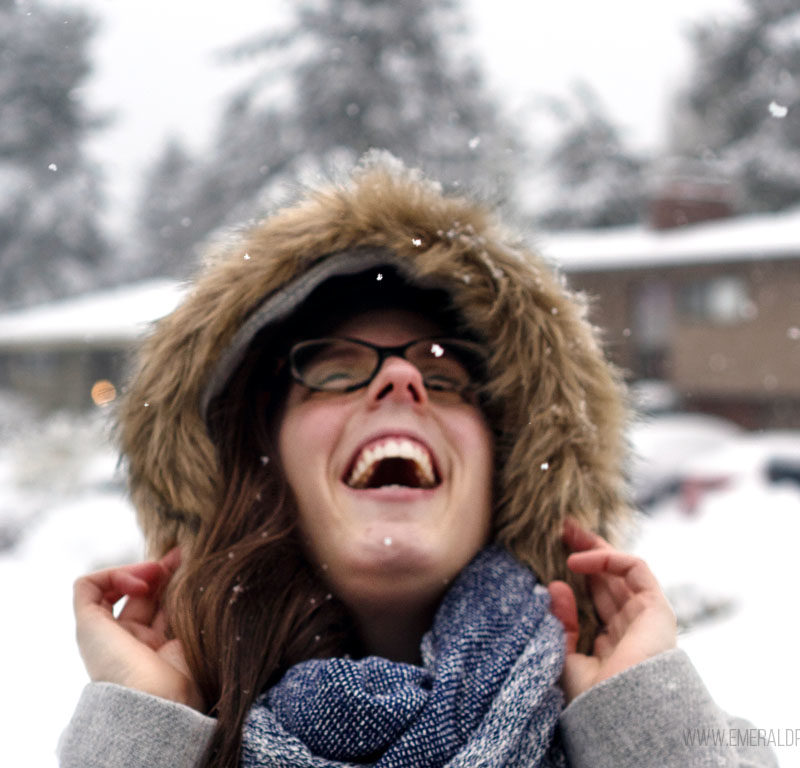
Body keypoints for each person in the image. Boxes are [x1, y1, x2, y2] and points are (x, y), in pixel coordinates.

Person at [59, 155, 776, 768]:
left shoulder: (640, 734)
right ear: (262, 459)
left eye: (443, 374)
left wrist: (645, 733)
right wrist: (141, 735)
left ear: (510, 472)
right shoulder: (162, 736)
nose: (399, 382)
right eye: (335, 369)